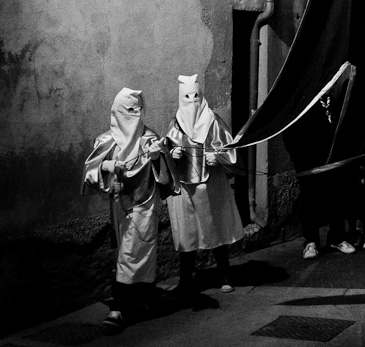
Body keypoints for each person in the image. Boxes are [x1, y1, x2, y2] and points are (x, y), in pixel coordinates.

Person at [82, 88, 177, 334]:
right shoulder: (106, 141)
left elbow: (166, 177)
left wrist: (157, 157)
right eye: (129, 110)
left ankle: (123, 305)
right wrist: (110, 164)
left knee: (136, 251)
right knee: (123, 251)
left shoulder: (149, 138)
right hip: (119, 204)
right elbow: (90, 171)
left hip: (145, 204)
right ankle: (133, 301)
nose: (134, 115)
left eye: (138, 110)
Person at [165, 75, 244, 296]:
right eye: (187, 97)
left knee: (217, 227)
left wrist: (217, 157)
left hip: (212, 184)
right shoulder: (175, 124)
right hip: (185, 187)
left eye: (196, 96)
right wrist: (173, 153)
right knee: (187, 232)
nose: (192, 101)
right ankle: (185, 279)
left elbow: (230, 149)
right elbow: (165, 151)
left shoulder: (214, 121)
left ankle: (224, 274)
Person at [282, 92, 358, 259]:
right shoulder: (302, 102)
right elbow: (289, 131)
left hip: (334, 160)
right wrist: (298, 158)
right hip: (309, 162)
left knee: (336, 198)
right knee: (310, 200)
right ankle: (311, 241)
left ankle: (337, 238)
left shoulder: (335, 100)